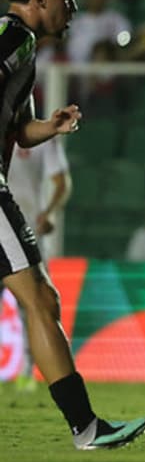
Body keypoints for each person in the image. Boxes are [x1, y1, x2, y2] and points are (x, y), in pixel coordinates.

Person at [0, 0, 145, 448]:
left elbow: (20, 131)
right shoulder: (14, 39)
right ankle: (86, 428)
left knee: (40, 301)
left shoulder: (22, 49)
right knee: (42, 300)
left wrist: (52, 126)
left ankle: (86, 428)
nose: (74, 9)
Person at [5, 138, 70, 391]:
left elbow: (61, 182)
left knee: (35, 302)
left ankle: (28, 370)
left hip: (26, 230)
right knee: (35, 302)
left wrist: (50, 212)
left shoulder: (42, 140)